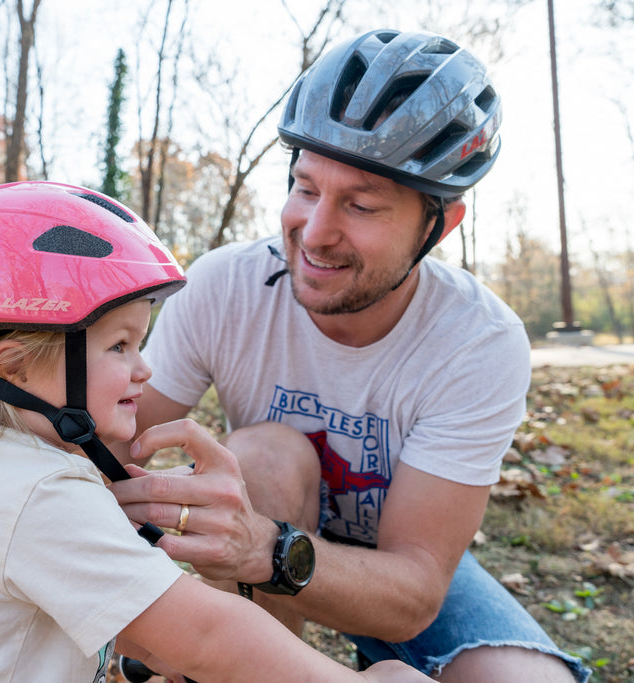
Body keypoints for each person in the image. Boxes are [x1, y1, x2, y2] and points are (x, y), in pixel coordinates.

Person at [110, 29, 590, 683]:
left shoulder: (479, 340)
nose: (316, 231)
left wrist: (266, 547)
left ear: (439, 225)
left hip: (385, 563)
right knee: (266, 457)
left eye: (361, 204)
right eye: (306, 188)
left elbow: (414, 590)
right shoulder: (225, 285)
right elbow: (111, 444)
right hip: (271, 515)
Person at [0, 181, 432, 682]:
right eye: (119, 346)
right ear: (14, 366)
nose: (144, 368)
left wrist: (154, 648)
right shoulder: (36, 491)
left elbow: (106, 613)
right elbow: (209, 636)